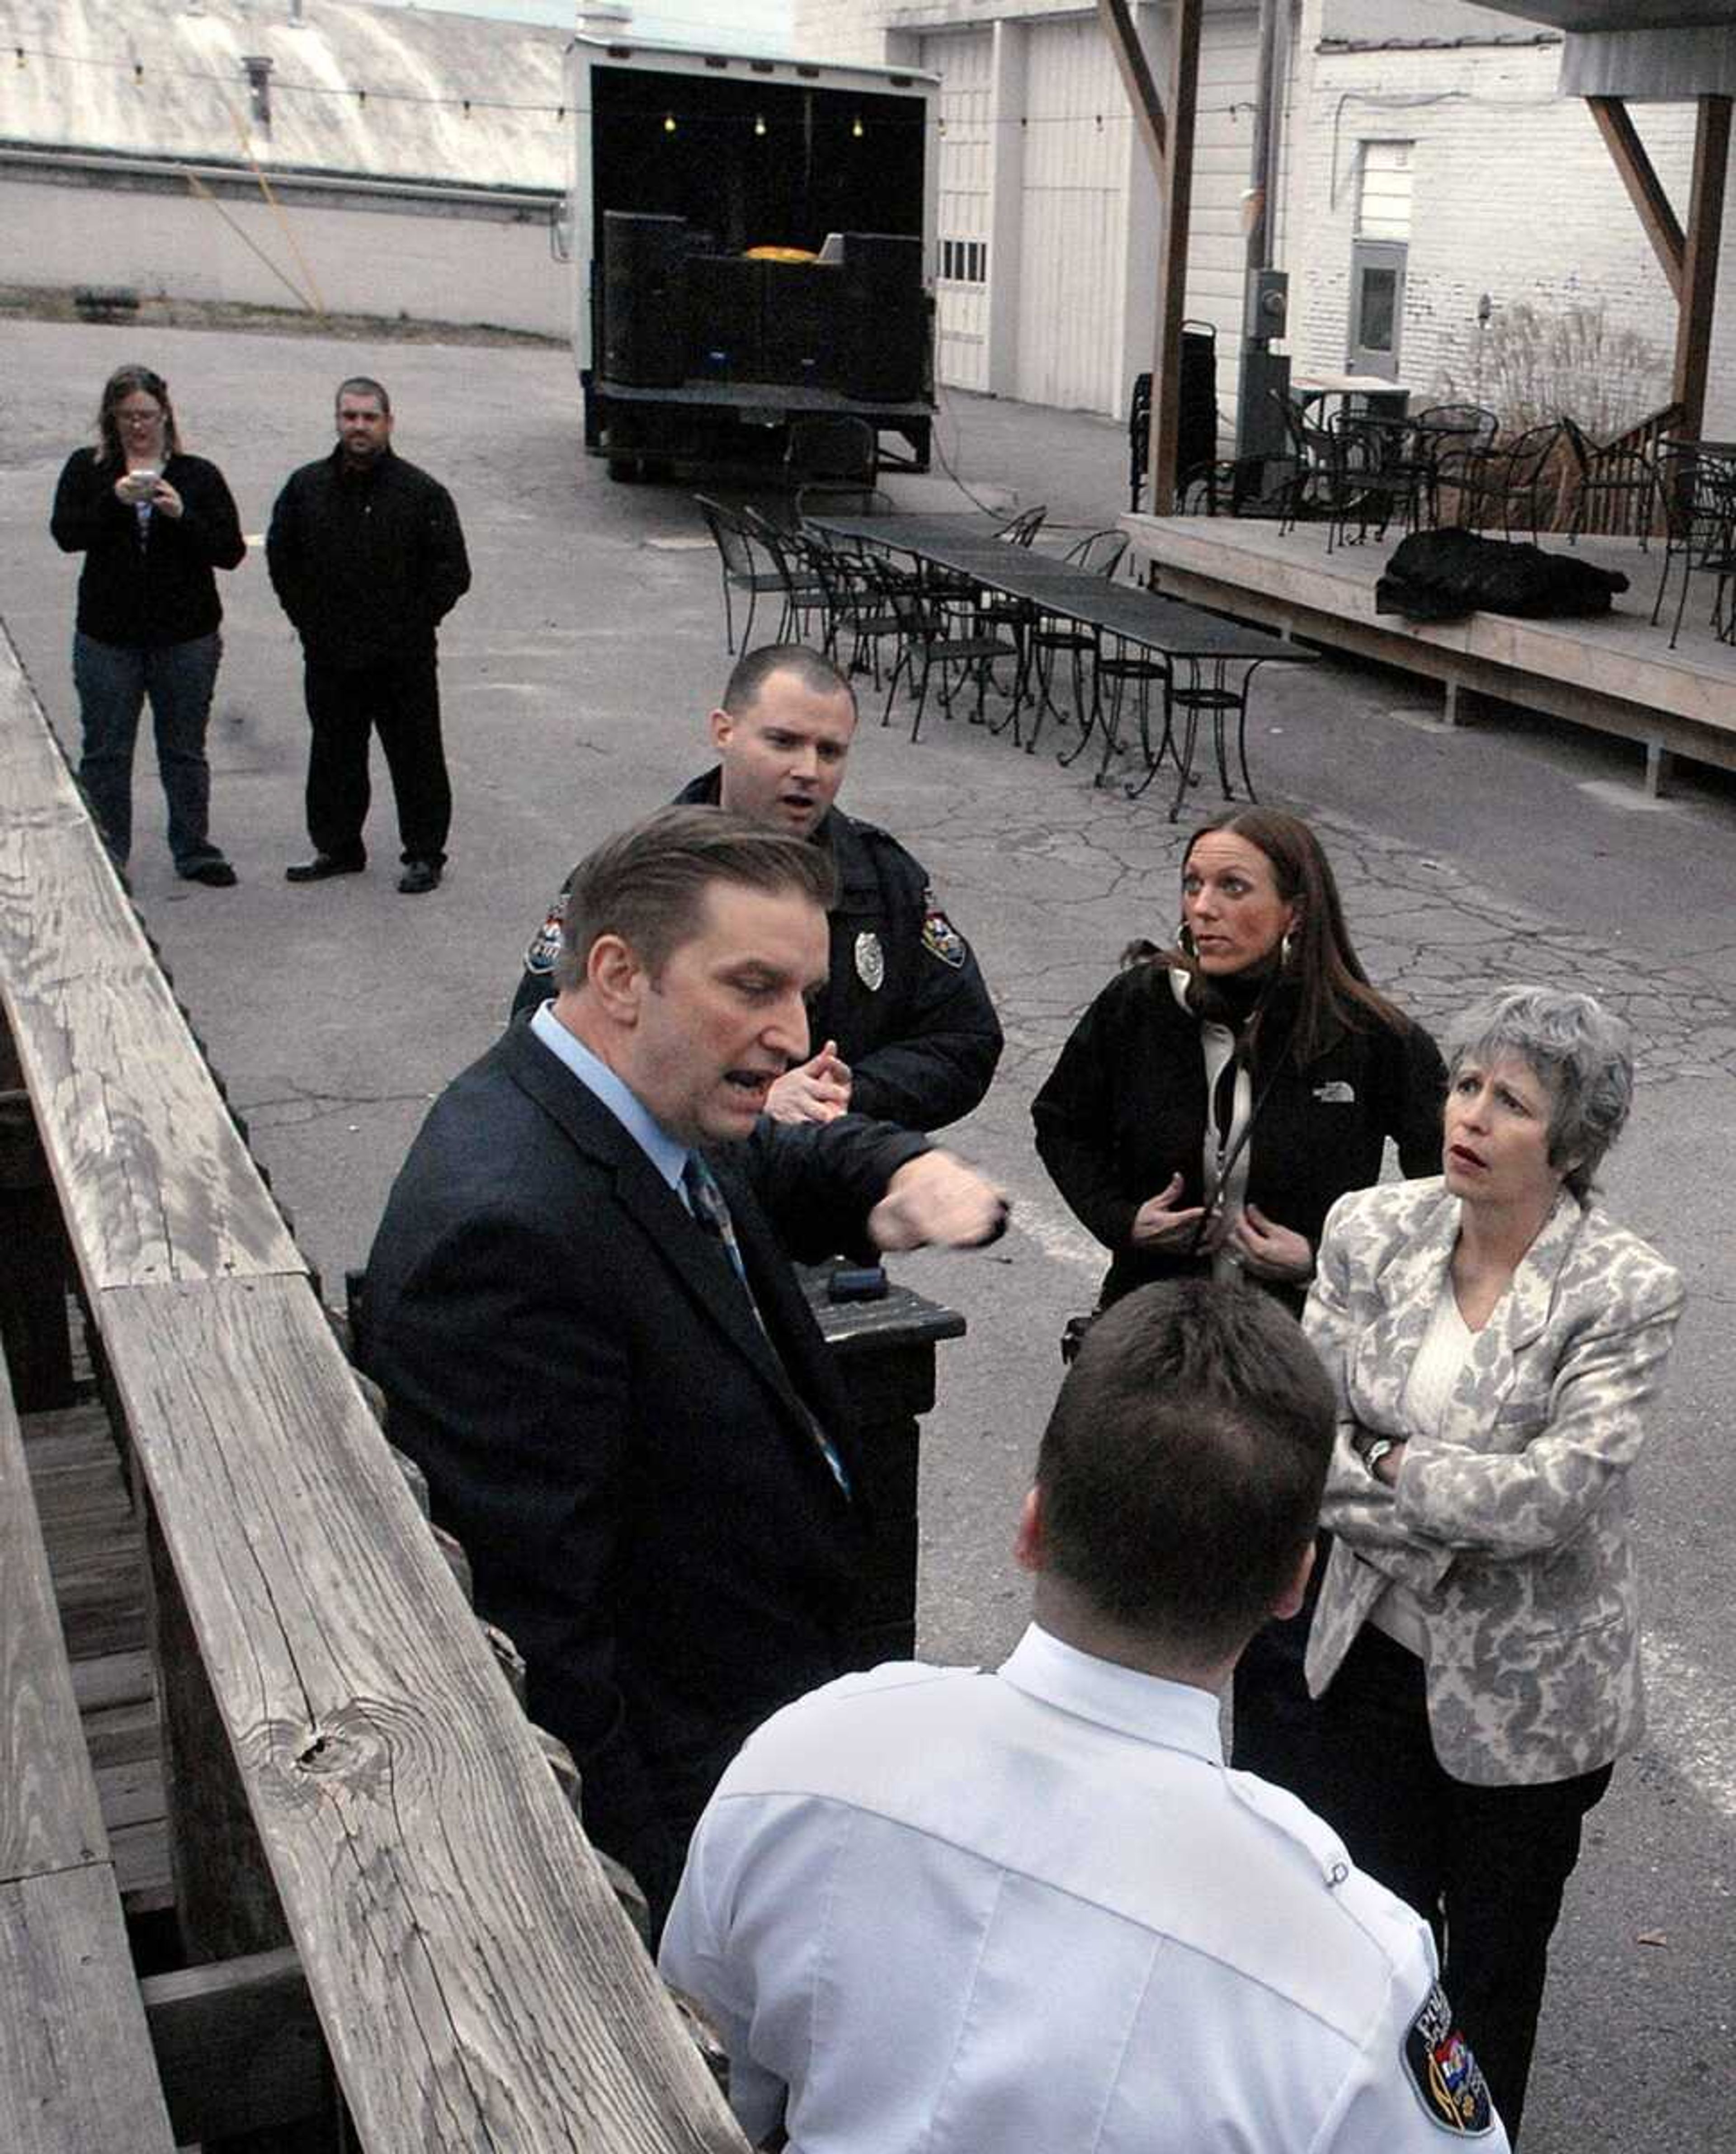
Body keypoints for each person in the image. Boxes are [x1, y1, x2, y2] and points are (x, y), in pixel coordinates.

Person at [660, 1280, 1507, 2154]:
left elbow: (698, 2087)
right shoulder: (1355, 1973)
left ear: (1031, 1526)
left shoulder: (803, 1764)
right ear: (1295, 1584)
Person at [363, 806, 1008, 1932]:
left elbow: (766, 1159)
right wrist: (660, 1916)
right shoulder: (510, 1233)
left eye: (803, 991)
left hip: (759, 1743)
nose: (793, 1032)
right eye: (753, 987)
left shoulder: (622, 1103)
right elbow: (548, 1648)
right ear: (620, 972)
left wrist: (892, 1168)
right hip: (690, 1829)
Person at [1259, 986, 1683, 2141]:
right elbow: (1306, 1433)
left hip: (1525, 1706)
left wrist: (1384, 1466)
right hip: (1363, 1665)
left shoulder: (1625, 1289)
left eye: (1511, 1101)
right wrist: (1434, 1484)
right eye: (1465, 1085)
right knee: (1361, 1942)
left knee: (1487, 1973)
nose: (1472, 1115)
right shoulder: (1366, 1226)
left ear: (1573, 1141)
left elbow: (1550, 1498)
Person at [510, 645, 1002, 1131]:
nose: (809, 770)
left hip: (841, 1187)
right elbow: (546, 1044)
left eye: (829, 751)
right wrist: (747, 1096)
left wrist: (847, 1095)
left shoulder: (884, 879)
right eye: (784, 742)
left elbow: (965, 1039)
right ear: (724, 732)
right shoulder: (636, 879)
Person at [1032, 805, 1446, 1316]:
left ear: (1294, 911)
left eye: (1233, 887)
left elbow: (1451, 1191)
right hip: (1150, 1324)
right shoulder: (1141, 1004)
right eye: (1193, 885)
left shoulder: (1370, 1036)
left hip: (1300, 1336)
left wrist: (1328, 1258)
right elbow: (1061, 1122)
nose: (1202, 907)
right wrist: (1121, 1219)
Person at [266, 376, 471, 895]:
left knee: (416, 755)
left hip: (403, 659)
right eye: (349, 416)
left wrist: (413, 624)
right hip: (331, 654)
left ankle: (424, 854)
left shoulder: (422, 494)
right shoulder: (305, 488)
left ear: (388, 423)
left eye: (369, 417)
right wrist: (308, 621)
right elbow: (282, 558)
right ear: (337, 420)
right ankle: (337, 847)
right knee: (334, 752)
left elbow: (453, 572)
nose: (358, 426)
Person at [50, 364, 245, 886]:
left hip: (186, 636)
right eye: (128, 417)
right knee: (107, 750)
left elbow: (229, 551)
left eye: (148, 416)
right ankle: (110, 852)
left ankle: (194, 847)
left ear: (166, 416)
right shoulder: (87, 469)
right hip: (108, 636)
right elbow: (66, 534)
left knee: (183, 747)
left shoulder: (197, 474)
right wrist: (114, 503)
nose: (139, 427)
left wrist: (182, 515)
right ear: (111, 419)